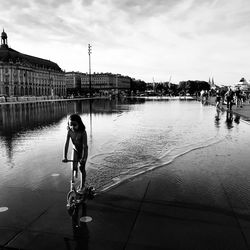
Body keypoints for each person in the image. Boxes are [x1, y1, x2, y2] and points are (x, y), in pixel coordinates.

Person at [63, 114, 88, 194]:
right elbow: (66, 144)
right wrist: (65, 156)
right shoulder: (69, 131)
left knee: (81, 168)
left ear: (79, 124)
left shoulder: (83, 132)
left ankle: (82, 186)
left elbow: (85, 146)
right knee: (73, 167)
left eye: (75, 125)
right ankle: (73, 184)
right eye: (71, 125)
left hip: (83, 152)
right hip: (75, 150)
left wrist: (83, 158)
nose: (72, 127)